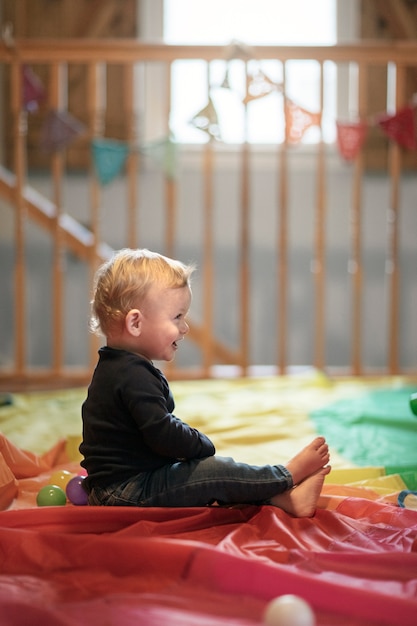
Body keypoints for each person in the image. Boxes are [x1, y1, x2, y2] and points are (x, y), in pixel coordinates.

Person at [79, 248, 330, 517]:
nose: (185, 327)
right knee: (212, 471)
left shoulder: (117, 368)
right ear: (136, 323)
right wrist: (201, 445)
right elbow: (162, 433)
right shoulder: (131, 374)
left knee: (201, 478)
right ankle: (286, 475)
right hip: (126, 493)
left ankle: (282, 500)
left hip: (120, 487)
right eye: (177, 317)